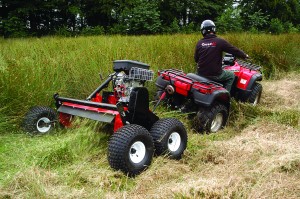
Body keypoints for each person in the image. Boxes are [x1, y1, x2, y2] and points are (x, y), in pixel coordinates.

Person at [194, 19, 248, 93]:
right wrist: (244, 55)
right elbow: (234, 50)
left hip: (200, 73)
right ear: (214, 29)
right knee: (231, 75)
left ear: (203, 31)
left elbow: (196, 59)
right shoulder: (219, 41)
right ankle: (226, 96)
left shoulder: (199, 43)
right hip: (215, 74)